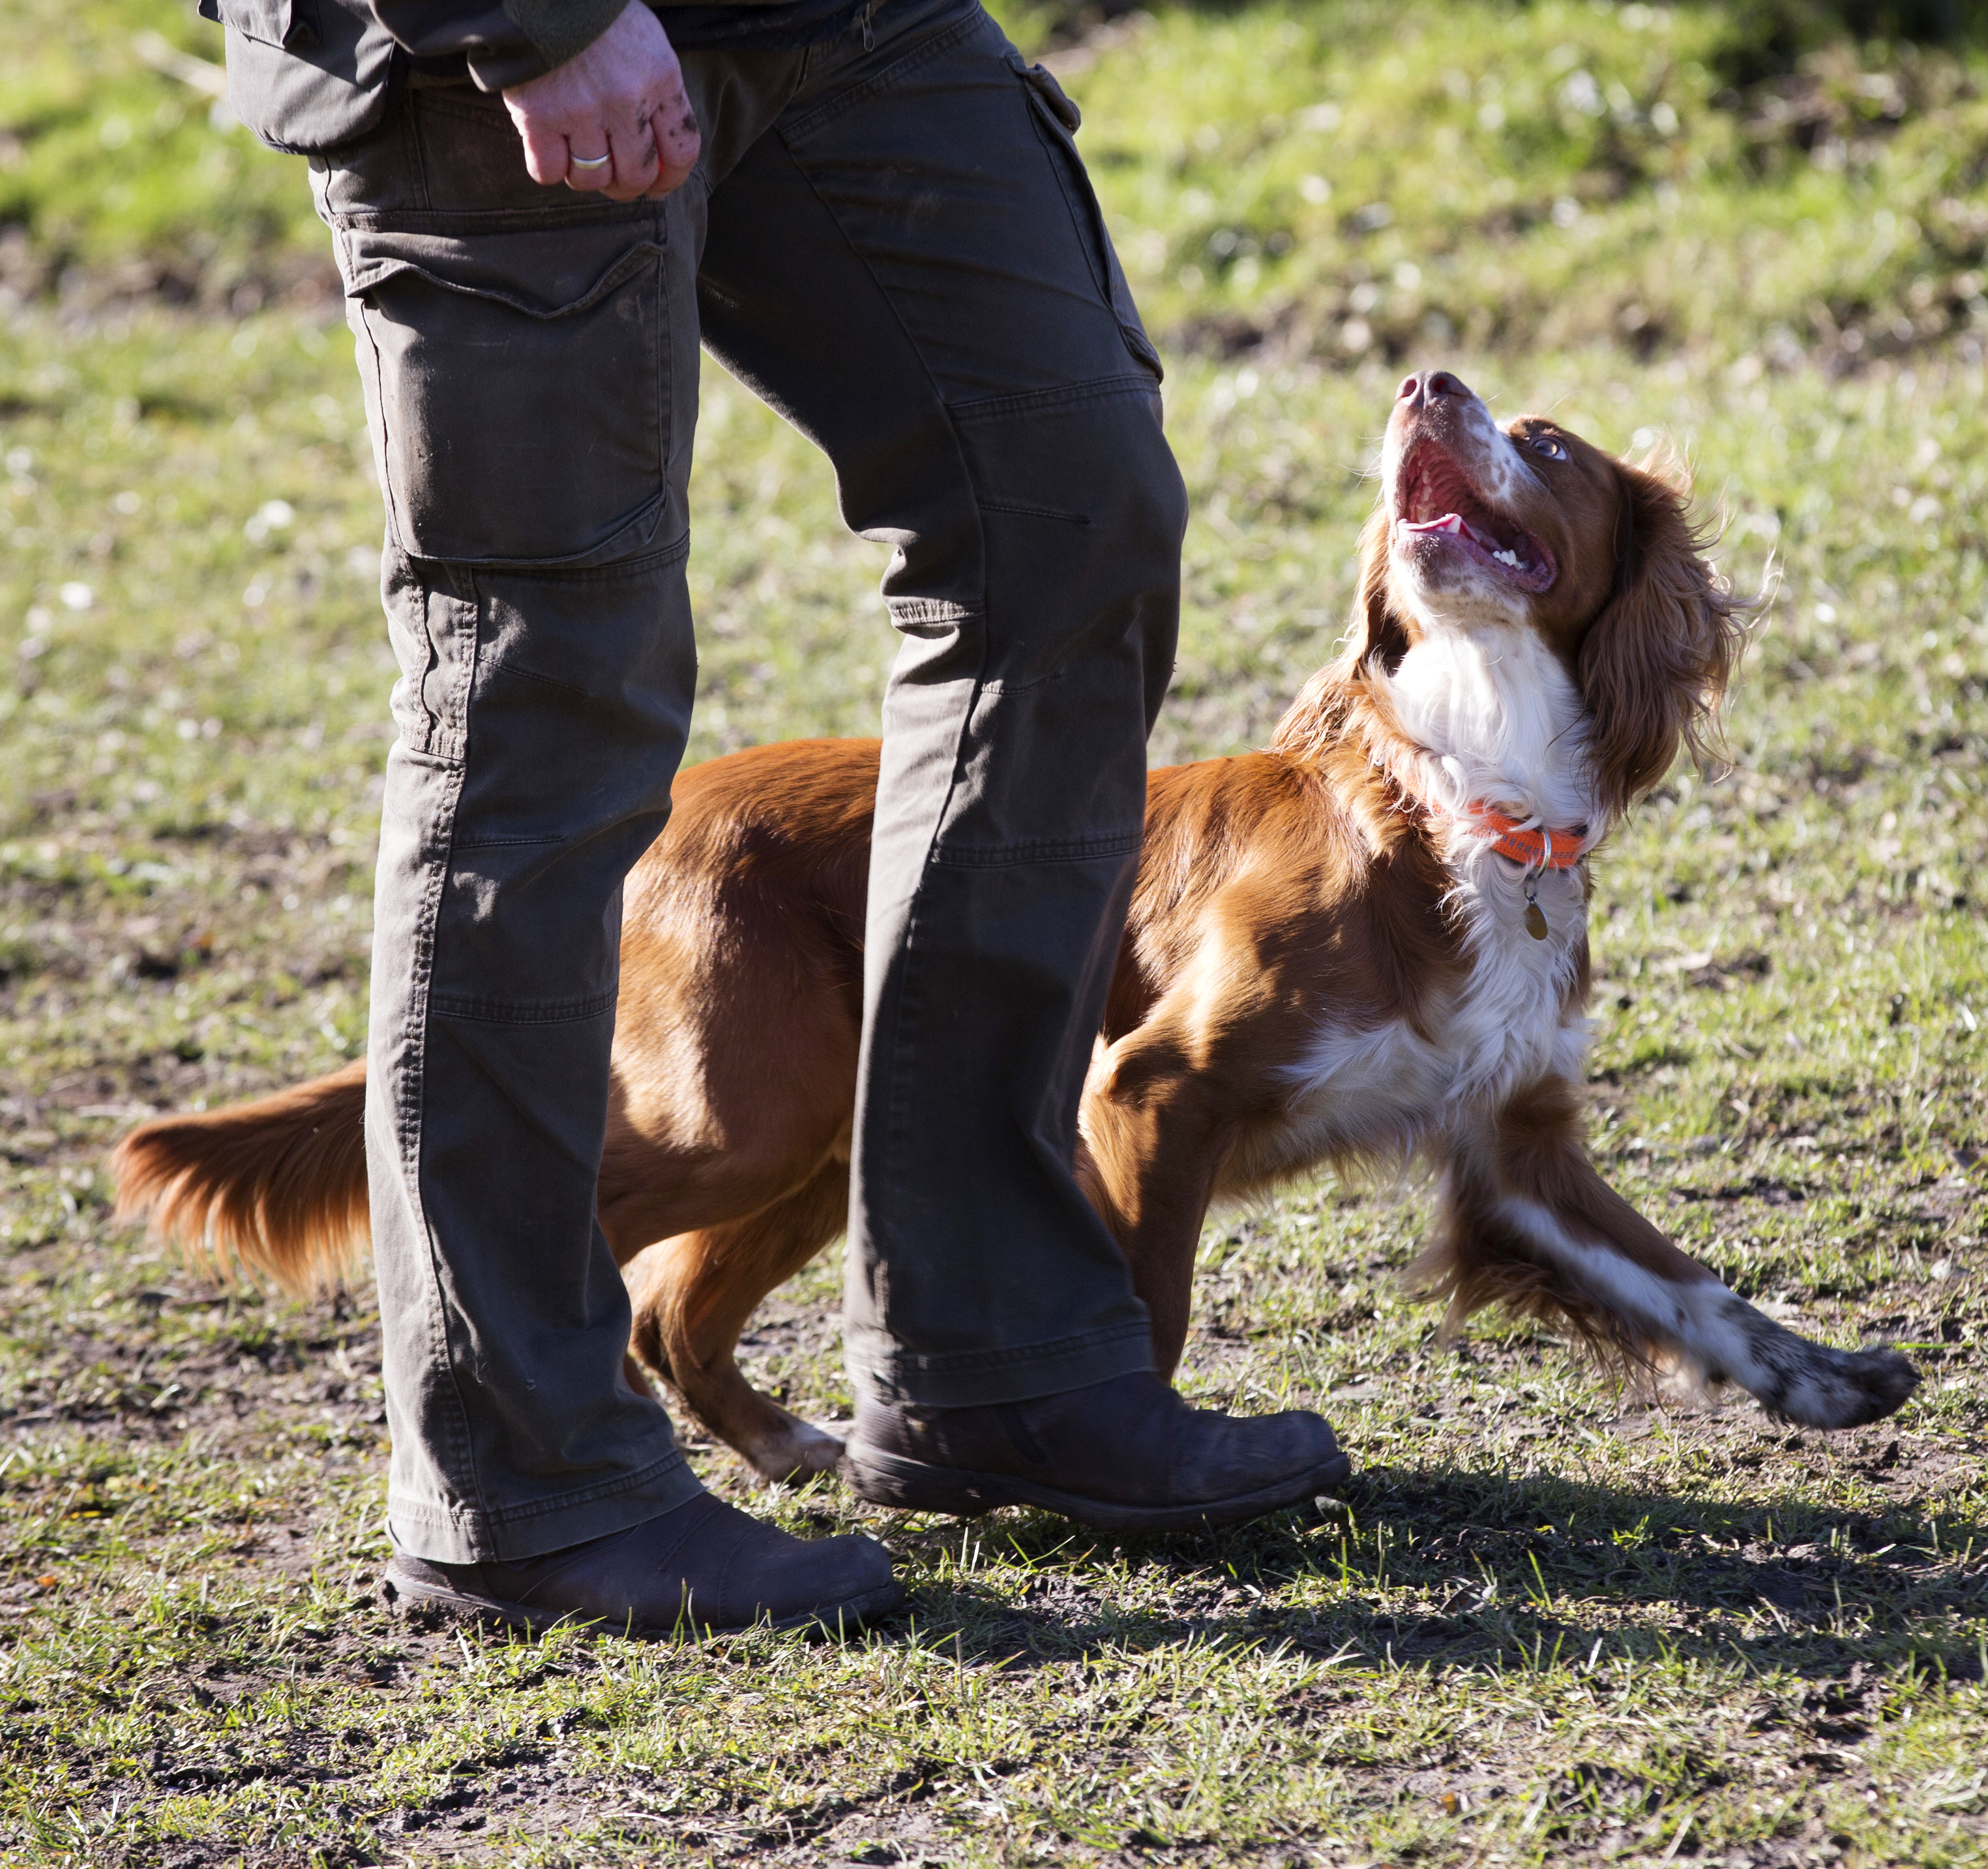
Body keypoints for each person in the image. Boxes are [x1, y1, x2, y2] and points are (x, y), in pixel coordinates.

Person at [203, 0, 1349, 1634]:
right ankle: (523, 1480)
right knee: (540, 688)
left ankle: (994, 1355)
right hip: (507, 58)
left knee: (1065, 514)